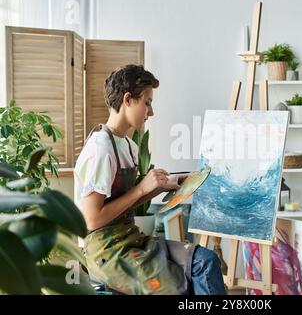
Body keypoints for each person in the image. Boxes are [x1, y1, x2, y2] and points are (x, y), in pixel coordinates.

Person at [74, 64, 226, 295]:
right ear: (127, 99)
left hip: (129, 238)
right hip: (104, 251)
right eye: (147, 101)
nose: (151, 111)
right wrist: (141, 189)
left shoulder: (129, 146)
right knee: (177, 287)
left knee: (205, 261)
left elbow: (122, 206)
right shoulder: (100, 149)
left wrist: (159, 188)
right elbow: (92, 220)